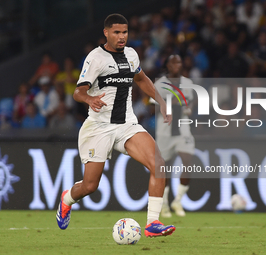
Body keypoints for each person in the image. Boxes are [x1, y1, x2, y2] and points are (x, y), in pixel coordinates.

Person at [56, 13, 175, 237]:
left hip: (126, 125)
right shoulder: (95, 58)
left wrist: (160, 101)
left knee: (159, 164)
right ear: (106, 33)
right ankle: (67, 198)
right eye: (117, 32)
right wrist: (90, 99)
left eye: (125, 32)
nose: (122, 37)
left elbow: (141, 79)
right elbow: (78, 91)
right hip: (99, 127)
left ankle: (152, 224)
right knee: (90, 186)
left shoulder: (131, 54)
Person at [153, 55, 195, 218]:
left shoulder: (188, 84)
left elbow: (191, 101)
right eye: (173, 62)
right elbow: (154, 107)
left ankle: (177, 201)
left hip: (183, 129)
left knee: (188, 162)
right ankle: (164, 204)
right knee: (165, 168)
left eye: (179, 61)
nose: (176, 65)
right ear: (167, 65)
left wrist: (189, 107)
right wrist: (169, 105)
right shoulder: (159, 84)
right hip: (165, 130)